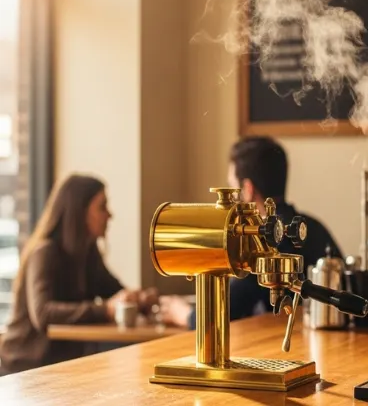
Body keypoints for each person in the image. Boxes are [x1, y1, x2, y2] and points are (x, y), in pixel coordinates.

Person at [159, 136, 343, 329]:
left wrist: (182, 313)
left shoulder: (261, 241)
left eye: (231, 186)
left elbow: (222, 314)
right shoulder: (313, 226)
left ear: (247, 189)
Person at [0, 175, 158, 375]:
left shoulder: (88, 253)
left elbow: (115, 291)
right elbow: (43, 313)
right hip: (25, 371)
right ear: (79, 212)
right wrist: (107, 310)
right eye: (102, 207)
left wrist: (139, 298)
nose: (110, 215)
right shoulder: (45, 252)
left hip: (62, 366)